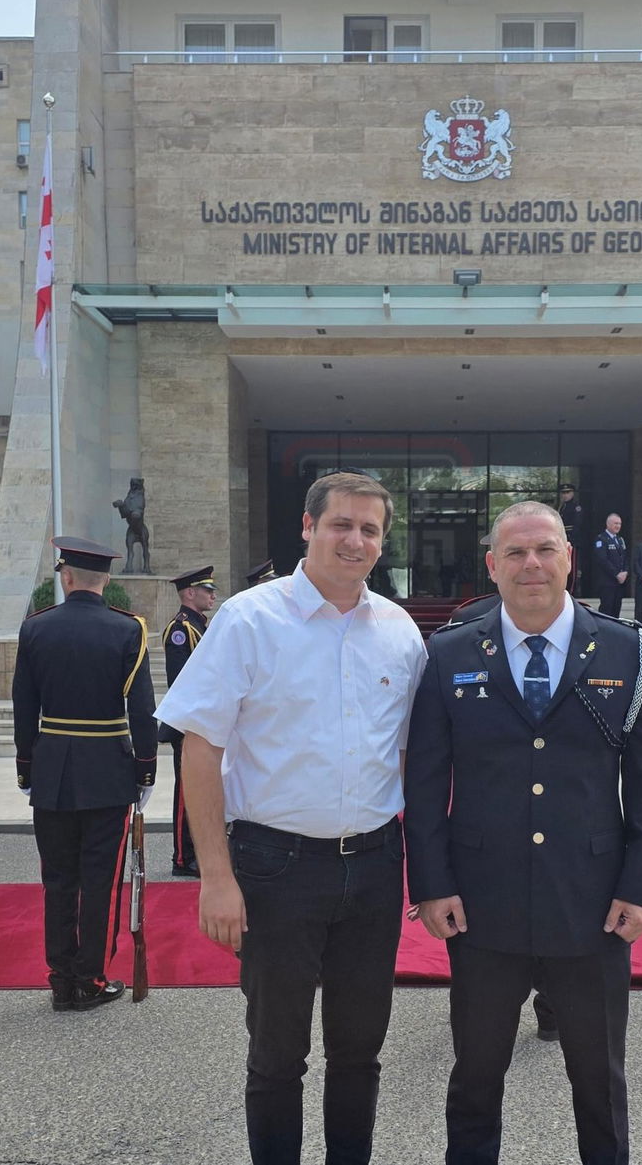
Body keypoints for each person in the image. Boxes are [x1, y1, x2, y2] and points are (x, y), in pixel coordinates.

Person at [156, 471, 426, 1165]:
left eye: (370, 529)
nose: (355, 539)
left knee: (360, 1051)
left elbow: (416, 759)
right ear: (307, 527)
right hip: (275, 869)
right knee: (278, 1053)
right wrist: (215, 876)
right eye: (342, 524)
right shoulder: (249, 619)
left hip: (372, 867)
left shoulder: (400, 633)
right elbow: (200, 747)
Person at [404, 499, 642, 1165]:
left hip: (592, 908)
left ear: (569, 559)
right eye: (517, 552)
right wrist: (432, 883)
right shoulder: (449, 652)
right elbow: (424, 782)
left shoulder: (625, 649)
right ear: (493, 565)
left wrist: (641, 890)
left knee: (599, 1084)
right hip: (482, 909)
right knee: (474, 1080)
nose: (532, 563)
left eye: (545, 549)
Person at [12, 536, 157, 1012]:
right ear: (107, 580)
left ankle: (60, 978)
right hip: (107, 769)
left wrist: (26, 765)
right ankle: (90, 978)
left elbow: (23, 706)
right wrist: (145, 767)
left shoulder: (36, 628)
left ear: (66, 576)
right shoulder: (127, 629)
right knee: (101, 879)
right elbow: (141, 708)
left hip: (52, 765)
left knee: (57, 879)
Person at [159, 564, 219, 877]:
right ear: (189, 593)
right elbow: (180, 682)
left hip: (203, 721)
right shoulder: (181, 629)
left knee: (203, 789)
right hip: (188, 723)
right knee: (186, 792)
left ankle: (196, 851)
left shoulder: (201, 626)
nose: (213, 595)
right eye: (207, 590)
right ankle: (182, 858)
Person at [589, 512, 628, 618]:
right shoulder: (601, 539)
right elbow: (602, 560)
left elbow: (624, 558)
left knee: (616, 610)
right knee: (607, 610)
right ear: (608, 524)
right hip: (607, 582)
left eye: (619, 524)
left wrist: (625, 572)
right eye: (615, 523)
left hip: (619, 583)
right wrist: (616, 574)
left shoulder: (620, 540)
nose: (618, 526)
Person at [557, 483, 585, 594]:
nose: (565, 495)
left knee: (571, 569)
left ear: (572, 493)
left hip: (571, 540)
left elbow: (577, 525)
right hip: (562, 540)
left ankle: (571, 591)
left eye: (567, 492)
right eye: (563, 493)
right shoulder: (561, 507)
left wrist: (571, 540)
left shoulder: (576, 507)